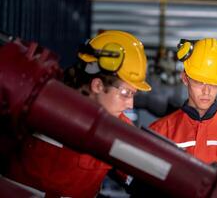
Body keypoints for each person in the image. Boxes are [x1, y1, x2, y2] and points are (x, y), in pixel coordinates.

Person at [4, 30, 151, 198]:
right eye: (126, 93)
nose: (130, 104)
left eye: (133, 94)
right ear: (97, 85)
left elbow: (141, 180)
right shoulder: (39, 100)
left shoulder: (121, 130)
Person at [149, 38, 217, 175]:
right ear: (185, 78)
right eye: (199, 82)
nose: (206, 91)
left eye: (213, 84)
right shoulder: (159, 132)